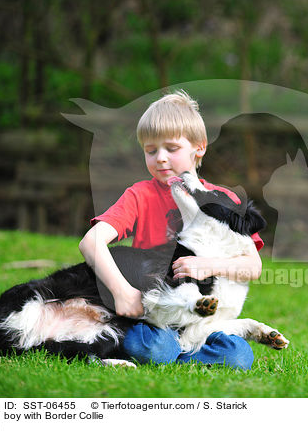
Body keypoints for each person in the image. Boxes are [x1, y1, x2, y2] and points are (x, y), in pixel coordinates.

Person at [78, 90, 264, 370]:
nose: (160, 159)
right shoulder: (139, 195)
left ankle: (182, 350)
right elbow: (91, 242)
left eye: (171, 149)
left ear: (199, 147)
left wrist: (208, 265)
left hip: (203, 318)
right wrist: (122, 292)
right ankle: (175, 353)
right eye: (151, 151)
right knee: (151, 347)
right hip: (156, 313)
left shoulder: (224, 202)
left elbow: (253, 266)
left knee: (238, 358)